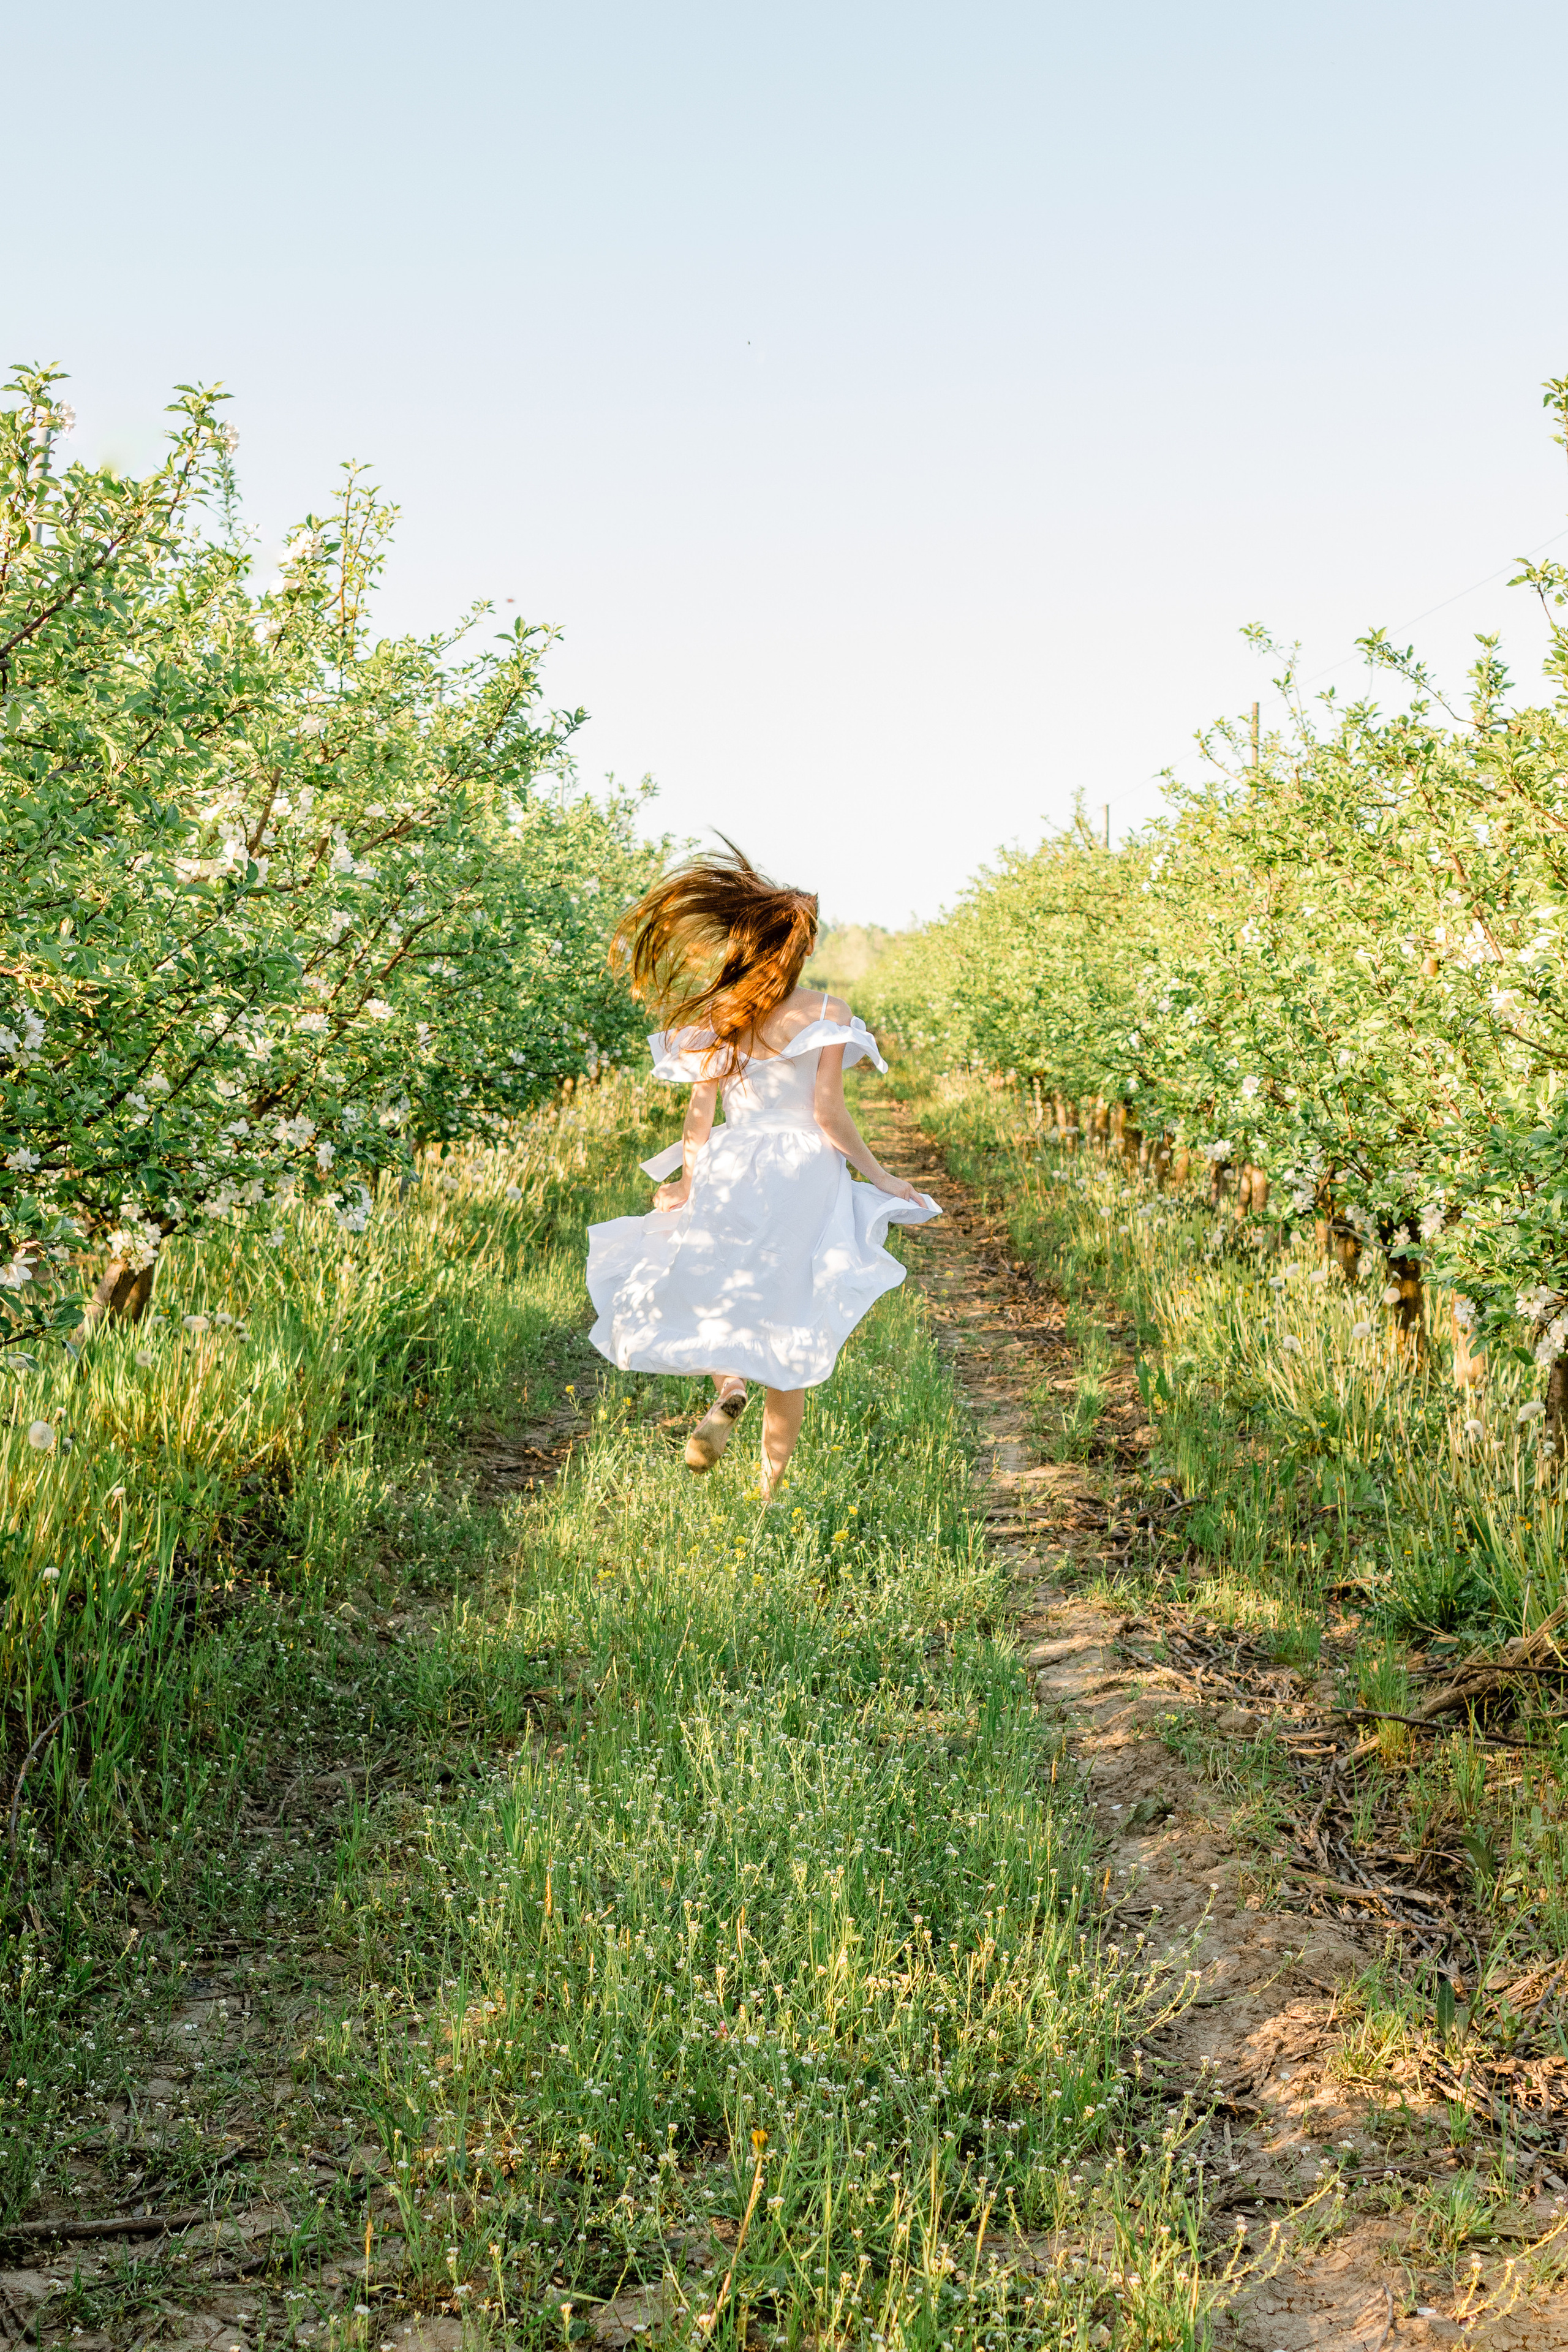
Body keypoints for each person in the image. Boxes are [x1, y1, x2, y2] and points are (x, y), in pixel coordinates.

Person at [586, 843, 941, 1496]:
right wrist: (881, 1176)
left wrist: (688, 1182)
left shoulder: (723, 1015)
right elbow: (829, 1115)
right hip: (803, 1167)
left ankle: (728, 1387)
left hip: (732, 1160)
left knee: (712, 1288)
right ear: (797, 951)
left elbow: (699, 1116)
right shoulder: (828, 1013)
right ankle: (768, 1494)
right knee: (789, 1310)